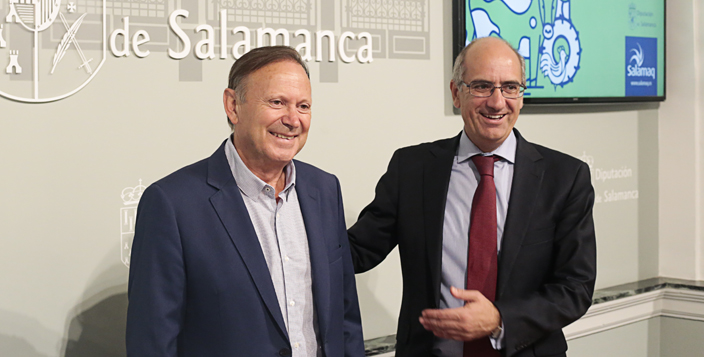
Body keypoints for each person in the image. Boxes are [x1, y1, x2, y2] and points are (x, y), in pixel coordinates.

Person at [348, 36, 596, 357]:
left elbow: (574, 288)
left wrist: (498, 318)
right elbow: (357, 251)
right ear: (456, 93)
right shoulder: (412, 169)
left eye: (510, 87)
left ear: (521, 95)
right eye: (481, 86)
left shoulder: (565, 177)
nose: (497, 102)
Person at [126, 46, 364, 357]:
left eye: (303, 106)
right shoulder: (172, 204)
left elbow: (345, 317)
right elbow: (153, 341)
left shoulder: (325, 189)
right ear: (233, 105)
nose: (293, 120)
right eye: (277, 102)